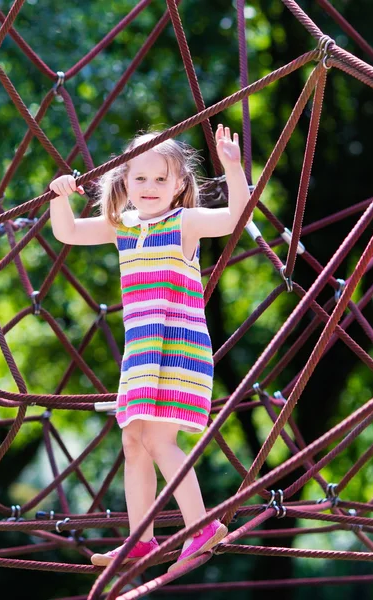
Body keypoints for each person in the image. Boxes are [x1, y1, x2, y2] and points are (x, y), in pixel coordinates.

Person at [49, 124, 251, 572]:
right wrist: (59, 196)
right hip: (141, 354)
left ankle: (201, 529)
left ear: (180, 185)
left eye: (161, 179)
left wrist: (233, 169)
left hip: (180, 352)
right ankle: (140, 541)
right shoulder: (122, 226)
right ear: (123, 182)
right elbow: (67, 233)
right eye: (140, 179)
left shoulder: (185, 222)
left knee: (159, 439)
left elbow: (235, 218)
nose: (150, 188)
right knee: (134, 442)